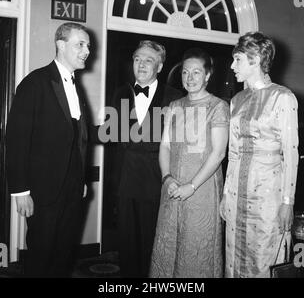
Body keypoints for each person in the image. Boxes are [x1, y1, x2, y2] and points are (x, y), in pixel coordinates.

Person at [6, 22, 90, 277]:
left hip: (72, 189)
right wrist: (20, 191)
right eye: (81, 44)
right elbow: (17, 139)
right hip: (43, 191)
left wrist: (81, 179)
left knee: (63, 255)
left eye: (88, 45)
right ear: (60, 45)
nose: (87, 50)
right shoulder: (35, 83)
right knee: (41, 257)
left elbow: (78, 138)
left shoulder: (76, 86)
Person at [98, 40, 182, 278]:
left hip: (157, 182)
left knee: (154, 245)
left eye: (148, 60)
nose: (141, 64)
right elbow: (111, 133)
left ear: (160, 66)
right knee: (126, 245)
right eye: (137, 59)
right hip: (125, 180)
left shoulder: (174, 97)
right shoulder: (120, 93)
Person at [220, 32, 299, 278]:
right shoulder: (236, 100)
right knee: (234, 258)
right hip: (236, 195)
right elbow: (232, 154)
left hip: (268, 197)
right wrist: (225, 195)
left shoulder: (283, 97)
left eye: (238, 59)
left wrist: (288, 202)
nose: (232, 66)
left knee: (264, 258)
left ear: (255, 60)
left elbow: (291, 154)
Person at [149, 48, 229, 278]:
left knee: (195, 250)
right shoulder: (175, 106)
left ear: (208, 75)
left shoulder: (218, 107)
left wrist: (191, 186)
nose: (190, 78)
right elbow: (164, 146)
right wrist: (167, 178)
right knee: (169, 245)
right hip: (172, 187)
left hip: (201, 191)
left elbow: (219, 153)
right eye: (185, 73)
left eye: (196, 72)